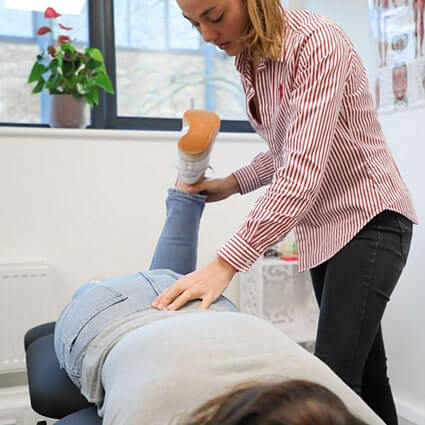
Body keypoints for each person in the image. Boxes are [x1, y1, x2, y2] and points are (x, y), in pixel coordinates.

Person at [152, 2, 417, 424]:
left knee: (329, 381)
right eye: (192, 23)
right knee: (366, 377)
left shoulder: (316, 43)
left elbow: (300, 172)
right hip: (325, 227)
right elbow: (286, 150)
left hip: (370, 218)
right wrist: (232, 182)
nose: (205, 35)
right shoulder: (252, 58)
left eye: (214, 16)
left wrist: (225, 263)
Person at [53, 157, 384, 425]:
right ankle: (186, 190)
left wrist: (231, 184)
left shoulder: (329, 401)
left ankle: (187, 188)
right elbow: (298, 161)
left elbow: (296, 155)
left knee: (169, 282)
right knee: (135, 289)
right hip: (107, 315)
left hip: (218, 318)